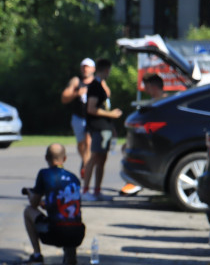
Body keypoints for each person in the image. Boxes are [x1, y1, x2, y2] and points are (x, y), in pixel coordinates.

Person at [22, 144, 84, 265]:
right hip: (78, 234)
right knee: (70, 218)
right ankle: (70, 254)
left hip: (55, 233)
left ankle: (37, 255)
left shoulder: (45, 174)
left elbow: (34, 204)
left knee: (28, 211)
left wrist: (30, 194)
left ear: (46, 157)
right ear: (65, 158)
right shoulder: (74, 178)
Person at [82, 58, 122, 202]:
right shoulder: (94, 86)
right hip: (98, 128)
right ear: (106, 70)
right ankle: (86, 190)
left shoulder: (100, 86)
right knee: (94, 158)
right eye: (109, 70)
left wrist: (111, 125)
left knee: (102, 160)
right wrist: (111, 115)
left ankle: (97, 190)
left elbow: (104, 107)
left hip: (105, 127)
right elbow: (91, 108)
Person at [120, 72, 165, 197]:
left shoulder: (163, 103)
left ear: (154, 87)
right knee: (127, 148)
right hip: (149, 138)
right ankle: (134, 181)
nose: (145, 89)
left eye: (147, 86)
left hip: (156, 141)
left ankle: (137, 182)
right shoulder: (154, 102)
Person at [61, 58, 96, 177]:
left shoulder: (97, 82)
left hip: (91, 118)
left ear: (93, 69)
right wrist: (77, 93)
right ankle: (85, 161)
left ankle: (86, 167)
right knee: (81, 144)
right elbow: (64, 98)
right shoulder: (76, 81)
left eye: (88, 67)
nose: (85, 69)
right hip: (78, 117)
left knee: (88, 141)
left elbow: (107, 95)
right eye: (83, 67)